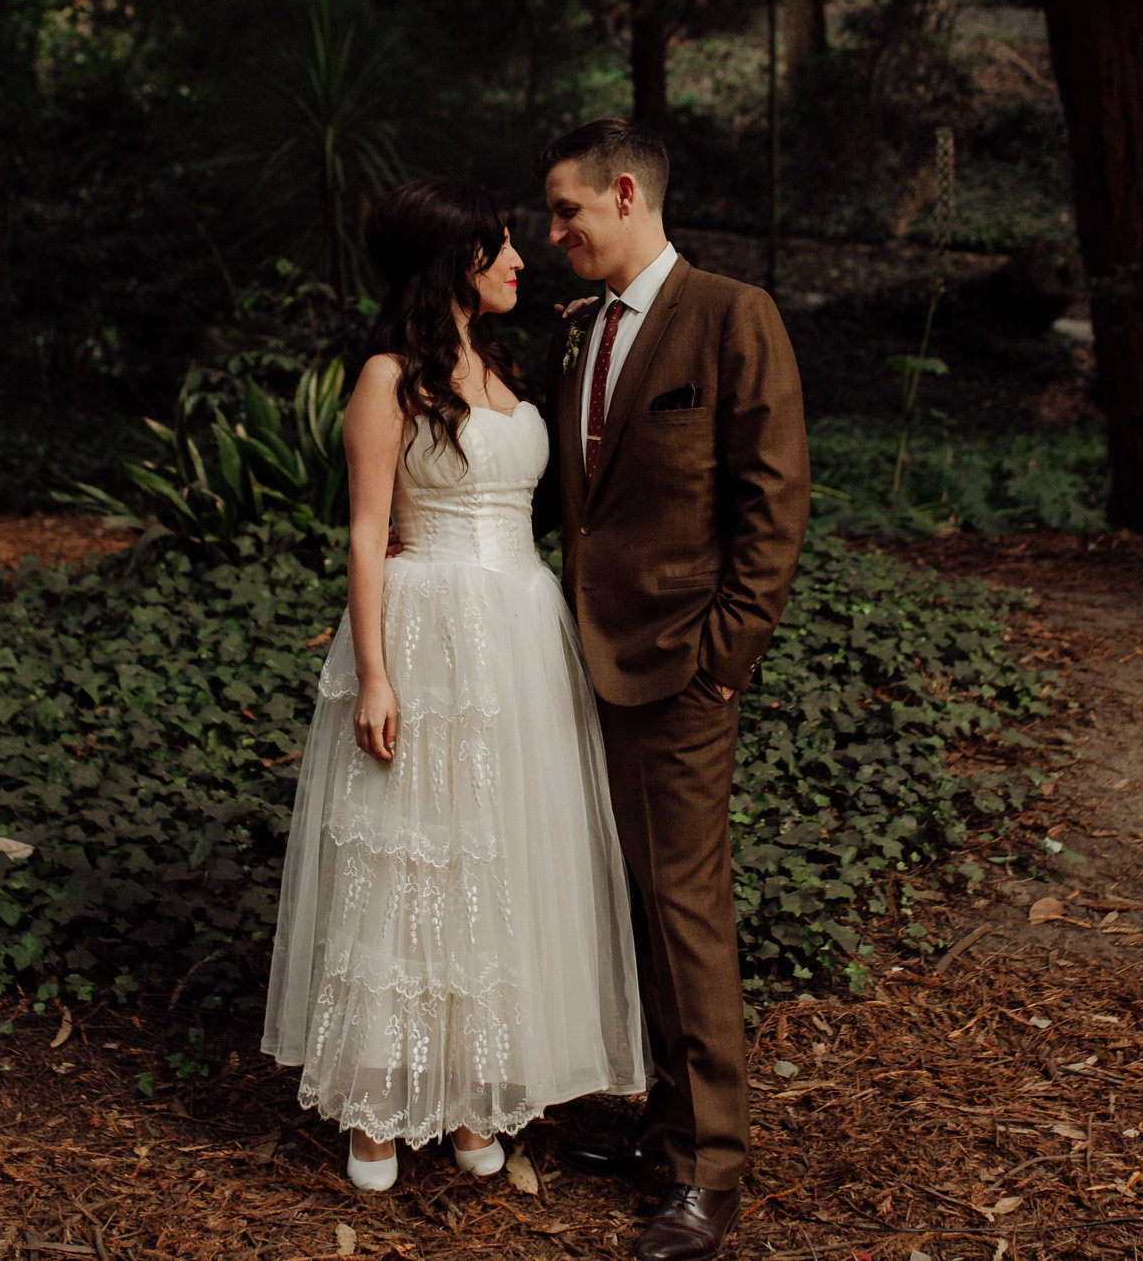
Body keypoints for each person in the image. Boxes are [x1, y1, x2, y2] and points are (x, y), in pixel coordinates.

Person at [261, 178, 646, 1192]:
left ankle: (475, 1092)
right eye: (500, 246)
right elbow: (363, 526)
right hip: (430, 625)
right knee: (413, 857)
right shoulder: (388, 375)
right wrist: (376, 674)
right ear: (451, 263)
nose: (522, 258)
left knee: (499, 858)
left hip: (523, 626)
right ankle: (380, 1111)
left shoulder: (509, 362)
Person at [536, 120, 811, 1261]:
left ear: (626, 190)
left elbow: (774, 498)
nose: (553, 235)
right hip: (581, 661)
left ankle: (710, 1169)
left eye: (566, 211)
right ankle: (661, 1116)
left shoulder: (732, 313)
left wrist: (724, 652)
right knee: (630, 897)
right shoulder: (577, 331)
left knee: (687, 908)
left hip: (680, 668)